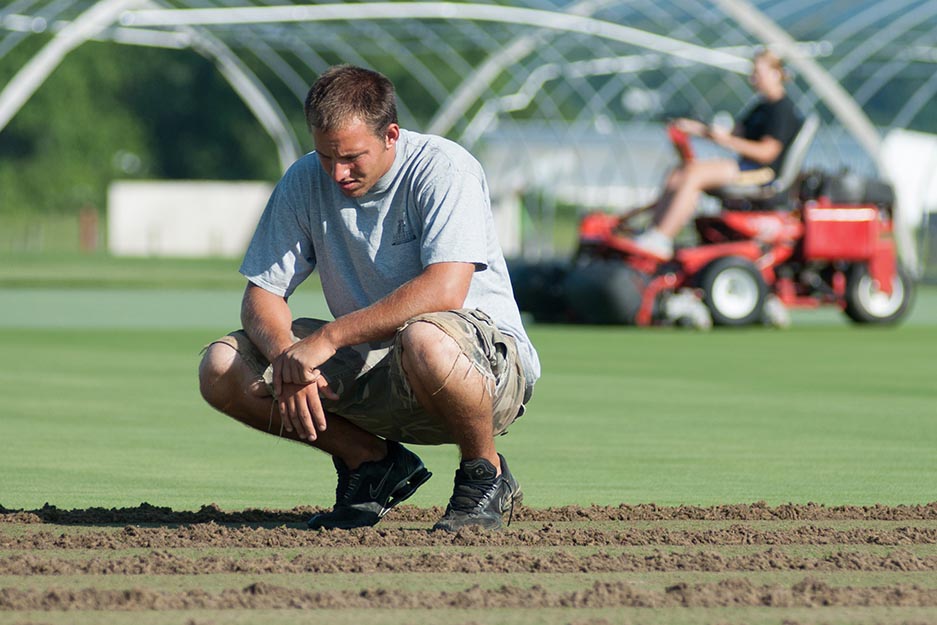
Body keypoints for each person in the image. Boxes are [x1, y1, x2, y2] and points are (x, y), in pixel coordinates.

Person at [198, 65, 540, 532]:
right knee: (221, 366)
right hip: (375, 362)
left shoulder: (444, 167)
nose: (337, 173)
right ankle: (371, 465)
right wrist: (287, 359)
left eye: (352, 157)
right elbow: (262, 294)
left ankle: (485, 473)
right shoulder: (303, 180)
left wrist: (329, 338)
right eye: (325, 156)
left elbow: (445, 290)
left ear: (391, 135)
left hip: (483, 368)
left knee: (424, 337)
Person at [631, 49, 803, 259]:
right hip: (746, 166)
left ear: (776, 73)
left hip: (762, 173)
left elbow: (767, 152)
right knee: (679, 172)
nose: (753, 78)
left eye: (758, 72)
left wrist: (728, 141)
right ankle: (654, 231)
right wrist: (697, 129)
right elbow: (734, 133)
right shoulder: (761, 107)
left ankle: (662, 238)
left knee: (695, 174)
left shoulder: (781, 110)